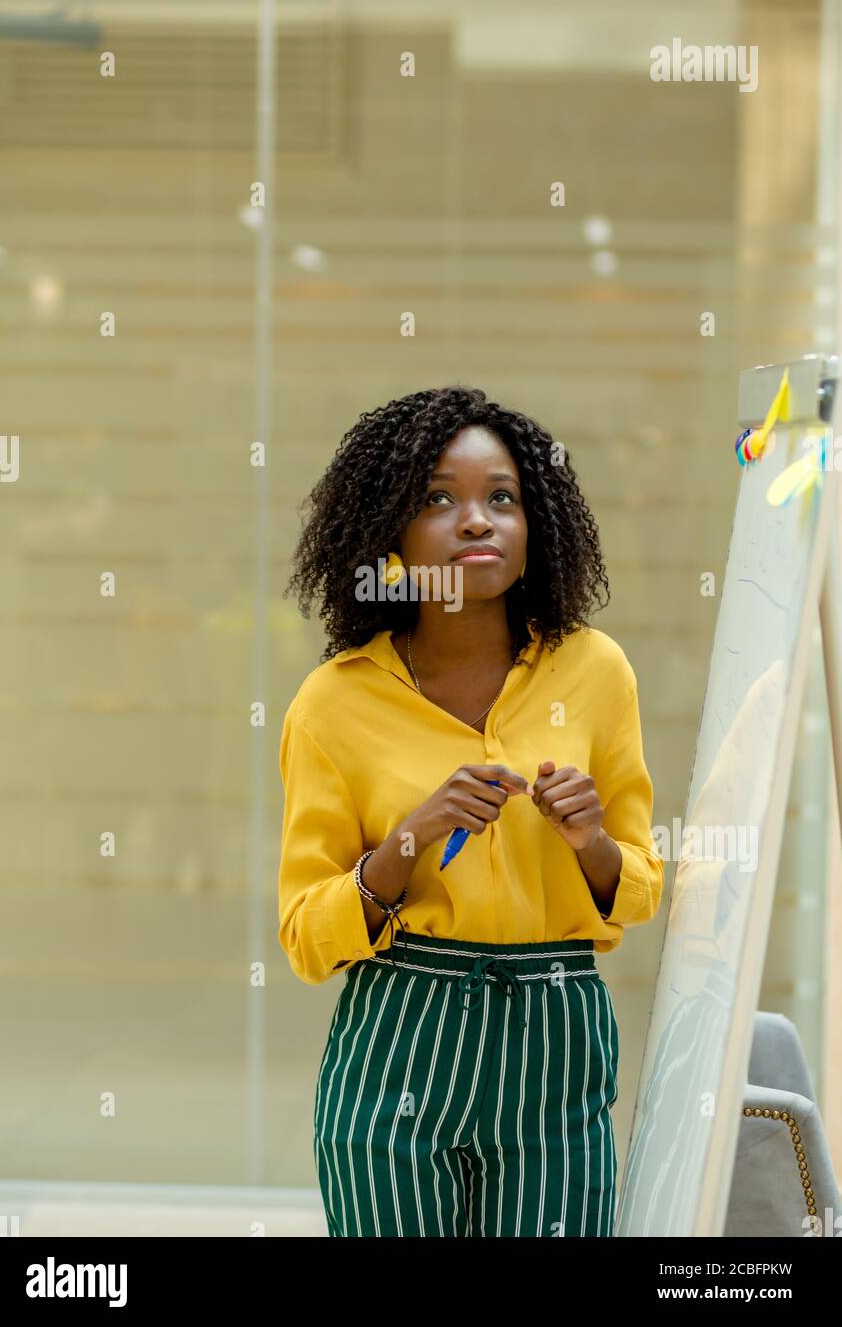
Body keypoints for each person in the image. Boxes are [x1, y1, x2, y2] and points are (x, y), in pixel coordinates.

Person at [277, 384, 665, 1238]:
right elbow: (307, 937)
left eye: (502, 499)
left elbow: (637, 890)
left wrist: (590, 840)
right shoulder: (332, 704)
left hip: (553, 1040)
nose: (478, 521)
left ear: (537, 526)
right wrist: (407, 841)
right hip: (396, 1040)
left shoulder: (597, 673)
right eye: (438, 500)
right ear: (386, 534)